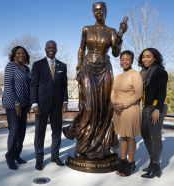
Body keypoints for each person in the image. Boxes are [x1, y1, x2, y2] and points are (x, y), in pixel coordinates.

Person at [62, 1, 128, 159]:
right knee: (89, 107)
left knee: (104, 107)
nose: (98, 12)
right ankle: (84, 141)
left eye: (101, 9)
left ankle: (104, 145)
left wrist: (120, 34)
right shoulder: (86, 29)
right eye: (95, 10)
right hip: (87, 68)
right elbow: (81, 48)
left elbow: (116, 52)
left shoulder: (111, 30)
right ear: (93, 12)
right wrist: (78, 67)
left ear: (106, 11)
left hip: (105, 69)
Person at [30, 40, 68, 171]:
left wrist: (65, 101)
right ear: (45, 49)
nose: (52, 49)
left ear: (56, 50)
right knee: (40, 132)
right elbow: (33, 86)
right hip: (41, 105)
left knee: (57, 131)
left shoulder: (62, 66)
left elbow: (64, 86)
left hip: (57, 104)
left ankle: (55, 156)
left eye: (54, 48)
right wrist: (34, 104)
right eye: (49, 47)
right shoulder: (37, 65)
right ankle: (39, 159)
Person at [111, 50, 143, 176]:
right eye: (122, 59)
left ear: (132, 61)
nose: (124, 62)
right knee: (122, 136)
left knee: (130, 137)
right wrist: (114, 102)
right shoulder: (118, 76)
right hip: (118, 110)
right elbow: (113, 92)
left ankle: (130, 163)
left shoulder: (136, 75)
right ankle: (123, 161)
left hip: (130, 110)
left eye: (127, 59)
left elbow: (138, 94)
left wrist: (124, 104)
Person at [139, 48, 168, 178]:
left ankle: (156, 165)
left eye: (148, 56)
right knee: (145, 134)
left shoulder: (160, 72)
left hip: (156, 106)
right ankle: (153, 161)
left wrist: (157, 109)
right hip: (146, 106)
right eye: (143, 57)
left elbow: (162, 92)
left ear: (155, 58)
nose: (145, 59)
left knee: (155, 137)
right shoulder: (144, 72)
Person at [2, 46, 31, 170]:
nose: (21, 55)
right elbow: (8, 85)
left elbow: (29, 87)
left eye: (23, 53)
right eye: (18, 53)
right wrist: (16, 103)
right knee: (14, 130)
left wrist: (28, 104)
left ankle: (17, 154)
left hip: (24, 104)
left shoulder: (27, 68)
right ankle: (9, 157)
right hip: (12, 104)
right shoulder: (10, 66)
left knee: (21, 131)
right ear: (14, 55)